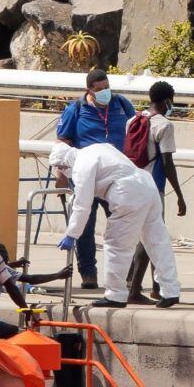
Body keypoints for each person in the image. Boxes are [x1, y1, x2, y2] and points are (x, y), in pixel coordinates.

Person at [50, 142, 181, 309]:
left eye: (60, 169)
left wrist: (71, 234)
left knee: (116, 245)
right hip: (147, 184)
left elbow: (82, 205)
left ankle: (115, 295)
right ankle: (171, 291)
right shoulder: (96, 149)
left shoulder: (80, 166)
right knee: (157, 241)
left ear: (62, 164)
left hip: (127, 192)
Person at [56, 68, 137, 291]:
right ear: (88, 90)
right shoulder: (76, 109)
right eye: (99, 89)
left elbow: (136, 131)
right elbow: (62, 141)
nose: (105, 93)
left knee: (122, 225)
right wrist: (61, 175)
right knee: (85, 226)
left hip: (117, 178)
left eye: (107, 87)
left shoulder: (121, 104)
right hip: (87, 176)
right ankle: (88, 273)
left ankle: (125, 272)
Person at [125, 80, 187, 304]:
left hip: (132, 184)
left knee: (146, 235)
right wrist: (179, 195)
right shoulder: (164, 125)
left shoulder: (134, 120)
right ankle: (134, 290)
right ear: (167, 101)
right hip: (153, 188)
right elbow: (168, 163)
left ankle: (155, 287)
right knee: (151, 238)